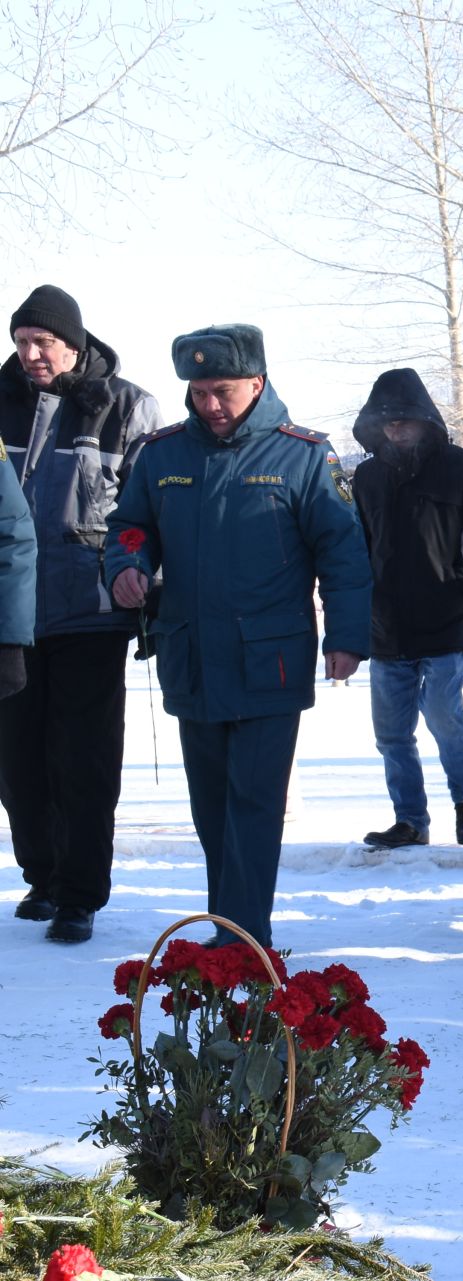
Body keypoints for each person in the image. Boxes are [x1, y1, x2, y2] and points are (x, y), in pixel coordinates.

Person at [104, 324, 371, 949]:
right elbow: (130, 528)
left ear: (257, 381)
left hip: (268, 662)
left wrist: (346, 637)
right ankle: (233, 928)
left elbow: (343, 553)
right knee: (211, 810)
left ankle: (243, 940)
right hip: (191, 654)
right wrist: (127, 567)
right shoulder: (163, 455)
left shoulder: (303, 455)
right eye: (198, 393)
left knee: (253, 805)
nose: (210, 405)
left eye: (222, 390)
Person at [0, 285, 157, 942]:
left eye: (44, 341)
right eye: (21, 341)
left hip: (90, 611)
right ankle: (43, 874)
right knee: (18, 761)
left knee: (84, 760)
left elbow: (143, 513)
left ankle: (81, 894)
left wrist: (134, 570)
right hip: (11, 616)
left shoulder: (124, 407)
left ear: (74, 341)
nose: (32, 353)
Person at [349, 368, 463, 852]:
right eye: (387, 423)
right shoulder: (366, 477)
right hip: (386, 623)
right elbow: (356, 546)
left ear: (426, 421)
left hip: (446, 613)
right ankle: (410, 819)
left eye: (404, 421)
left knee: (444, 715)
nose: (396, 430)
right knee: (391, 734)